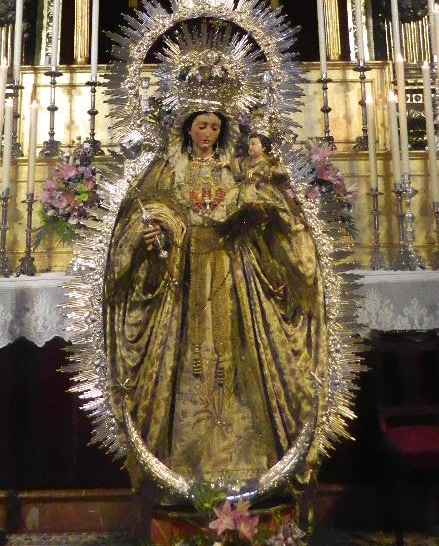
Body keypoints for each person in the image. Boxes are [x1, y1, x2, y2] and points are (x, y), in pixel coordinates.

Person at [104, 108, 326, 491]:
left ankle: (245, 466)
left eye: (215, 127)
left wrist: (254, 207)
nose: (208, 133)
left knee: (236, 352)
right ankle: (187, 467)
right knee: (191, 358)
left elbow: (266, 203)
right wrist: (159, 229)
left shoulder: (235, 168)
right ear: (187, 128)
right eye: (202, 126)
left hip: (232, 266)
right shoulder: (169, 170)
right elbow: (151, 209)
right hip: (185, 273)